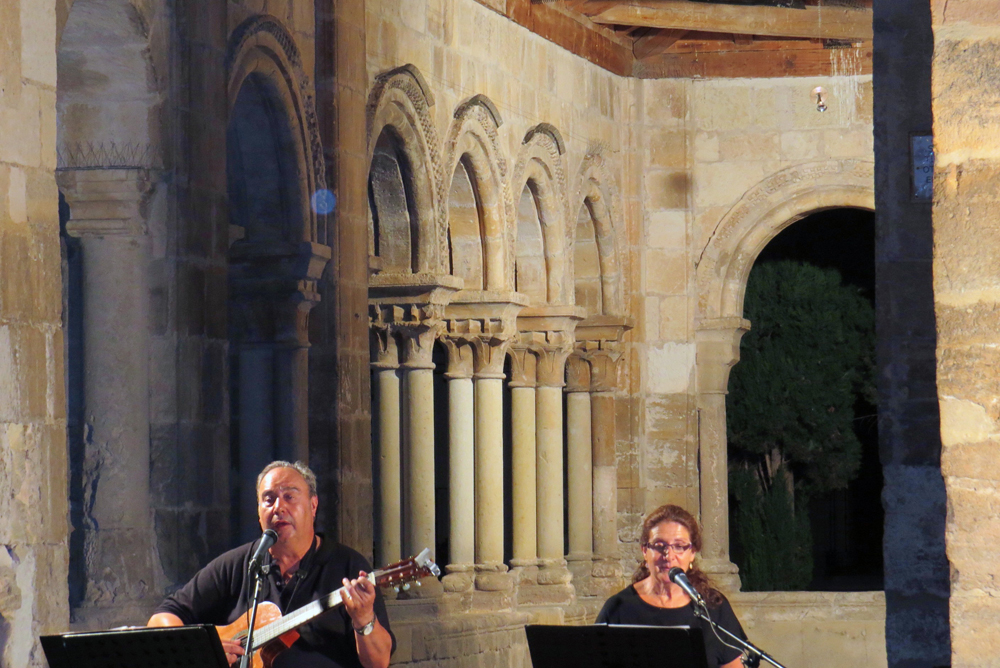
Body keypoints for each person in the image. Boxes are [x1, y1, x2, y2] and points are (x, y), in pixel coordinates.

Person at [148, 461, 394, 668]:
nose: (279, 507)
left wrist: (364, 619)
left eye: (289, 497)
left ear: (313, 505)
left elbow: (379, 663)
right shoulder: (239, 564)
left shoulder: (348, 566)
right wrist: (204, 650)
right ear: (258, 512)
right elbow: (163, 616)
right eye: (269, 499)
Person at [596, 504, 747, 668]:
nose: (668, 556)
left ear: (692, 553)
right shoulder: (618, 608)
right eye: (659, 546)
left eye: (679, 546)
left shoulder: (712, 606)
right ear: (645, 551)